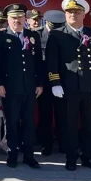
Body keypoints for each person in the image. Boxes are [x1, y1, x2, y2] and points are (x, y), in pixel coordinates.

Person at [46, 0, 91, 171]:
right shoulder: (57, 34)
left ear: (84, 14)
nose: (73, 15)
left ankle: (88, 157)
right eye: (70, 12)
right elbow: (52, 62)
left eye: (76, 12)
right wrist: (55, 83)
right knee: (69, 125)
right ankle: (71, 157)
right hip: (68, 88)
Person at [0, 4, 43, 169]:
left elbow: (38, 63)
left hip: (29, 87)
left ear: (24, 19)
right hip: (9, 88)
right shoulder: (0, 37)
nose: (17, 20)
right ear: (8, 19)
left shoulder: (33, 36)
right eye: (14, 18)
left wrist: (40, 83)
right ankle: (12, 154)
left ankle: (29, 155)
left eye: (20, 17)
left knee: (29, 122)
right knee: (11, 122)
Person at [37, 10, 65, 156]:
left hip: (62, 81)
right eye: (53, 26)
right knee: (45, 115)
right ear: (46, 22)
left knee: (63, 114)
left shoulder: (65, 34)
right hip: (44, 82)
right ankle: (46, 144)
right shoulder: (37, 34)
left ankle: (63, 143)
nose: (56, 28)